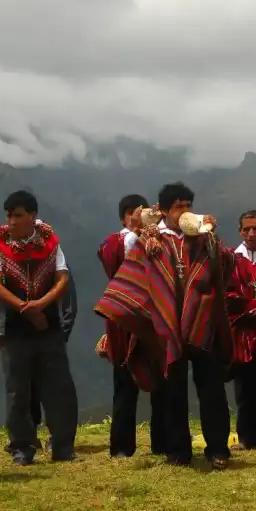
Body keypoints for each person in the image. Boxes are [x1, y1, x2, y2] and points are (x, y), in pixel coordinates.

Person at [95, 182, 233, 469]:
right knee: (173, 390)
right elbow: (133, 275)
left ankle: (218, 448)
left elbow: (226, 269)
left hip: (201, 324)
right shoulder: (152, 242)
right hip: (167, 325)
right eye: (178, 207)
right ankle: (178, 450)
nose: (184, 212)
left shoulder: (204, 240)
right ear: (165, 211)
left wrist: (212, 237)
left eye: (188, 206)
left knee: (211, 388)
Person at [0, 191, 79, 465]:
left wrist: (41, 304)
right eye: (9, 215)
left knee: (59, 387)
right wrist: (24, 307)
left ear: (32, 216)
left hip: (49, 328)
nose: (12, 221)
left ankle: (63, 446)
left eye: (18, 215)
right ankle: (22, 447)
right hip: (14, 331)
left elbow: (62, 278)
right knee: (18, 391)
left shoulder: (50, 243)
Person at [98, 194, 167, 457]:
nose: (134, 217)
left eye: (139, 212)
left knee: (161, 385)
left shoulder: (158, 239)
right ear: (122, 217)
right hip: (123, 324)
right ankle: (122, 448)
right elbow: (120, 261)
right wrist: (137, 230)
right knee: (124, 388)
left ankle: (162, 444)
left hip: (154, 323)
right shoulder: (112, 243)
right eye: (129, 213)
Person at [226, 210, 256, 450]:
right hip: (242, 330)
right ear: (239, 231)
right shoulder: (231, 259)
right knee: (243, 388)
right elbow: (226, 292)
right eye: (246, 229)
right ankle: (246, 437)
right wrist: (249, 308)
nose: (251, 233)